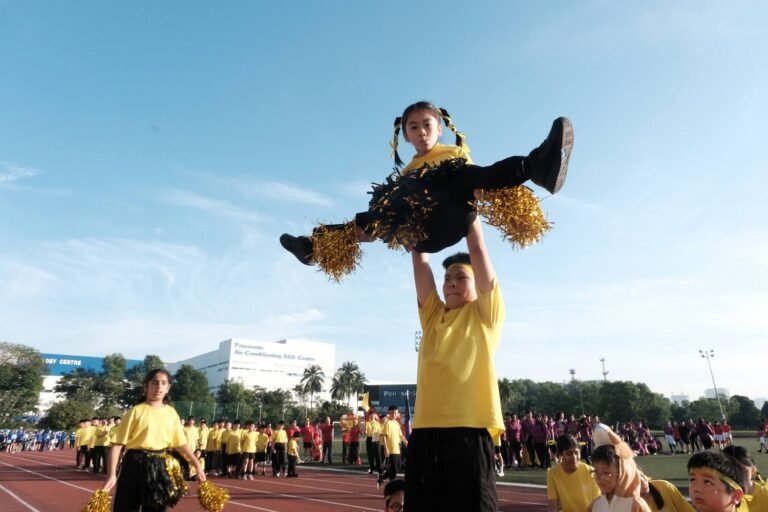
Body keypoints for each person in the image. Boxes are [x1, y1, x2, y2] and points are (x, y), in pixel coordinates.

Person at [280, 101, 572, 279]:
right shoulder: (407, 174)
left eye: (427, 125)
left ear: (440, 127)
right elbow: (384, 225)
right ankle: (314, 249)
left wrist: (486, 195)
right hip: (424, 233)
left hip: (454, 218)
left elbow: (480, 179)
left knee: (462, 175)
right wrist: (387, 219)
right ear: (405, 135)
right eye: (413, 127)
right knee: (383, 209)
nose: (421, 131)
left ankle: (538, 167)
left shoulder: (454, 154)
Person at [405, 215, 503, 511]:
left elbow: (478, 250)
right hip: (424, 435)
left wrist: (469, 211)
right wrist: (413, 223)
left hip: (468, 434)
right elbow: (421, 265)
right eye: (447, 278)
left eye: (460, 277)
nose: (450, 283)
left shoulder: (485, 315)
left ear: (477, 286)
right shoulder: (434, 316)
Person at [102, 368, 205, 511]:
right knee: (125, 507)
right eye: (155, 383)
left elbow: (181, 444)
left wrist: (197, 465)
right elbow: (117, 445)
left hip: (160, 466)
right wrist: (111, 475)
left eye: (163, 383)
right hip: (134, 463)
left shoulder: (171, 413)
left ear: (168, 388)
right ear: (146, 386)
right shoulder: (136, 411)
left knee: (157, 508)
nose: (159, 387)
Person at [588, 424, 651, 512]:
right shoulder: (595, 506)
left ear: (624, 473)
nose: (600, 478)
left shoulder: (636, 506)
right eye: (596, 472)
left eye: (606, 473)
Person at [547, 434, 601, 512]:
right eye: (569, 454)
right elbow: (553, 506)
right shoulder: (552, 474)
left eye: (576, 453)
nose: (574, 458)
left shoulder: (590, 471)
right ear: (561, 454)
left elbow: (597, 504)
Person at [379, 406, 407, 488]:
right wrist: (386, 448)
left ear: (397, 414)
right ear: (389, 413)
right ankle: (392, 485)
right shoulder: (387, 423)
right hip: (391, 449)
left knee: (397, 466)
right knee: (394, 467)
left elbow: (400, 435)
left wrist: (406, 441)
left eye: (395, 413)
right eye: (392, 413)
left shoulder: (397, 423)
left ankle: (382, 477)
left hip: (397, 448)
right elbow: (384, 436)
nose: (394, 414)